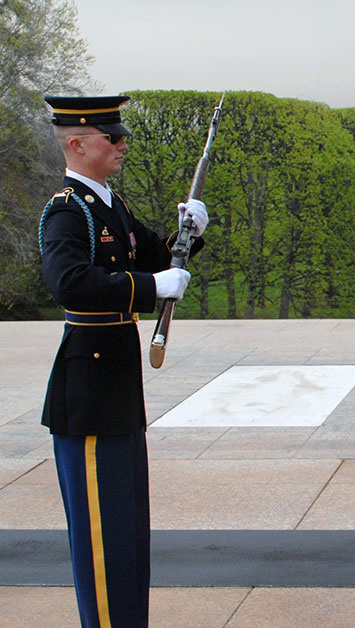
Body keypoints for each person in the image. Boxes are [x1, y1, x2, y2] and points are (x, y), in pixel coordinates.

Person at [39, 95, 207, 628]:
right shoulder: (68, 209)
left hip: (116, 388)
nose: (122, 144)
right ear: (77, 143)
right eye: (111, 137)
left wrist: (190, 236)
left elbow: (158, 257)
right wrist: (149, 287)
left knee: (128, 536)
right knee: (102, 543)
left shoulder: (111, 204)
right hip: (86, 394)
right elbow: (68, 283)